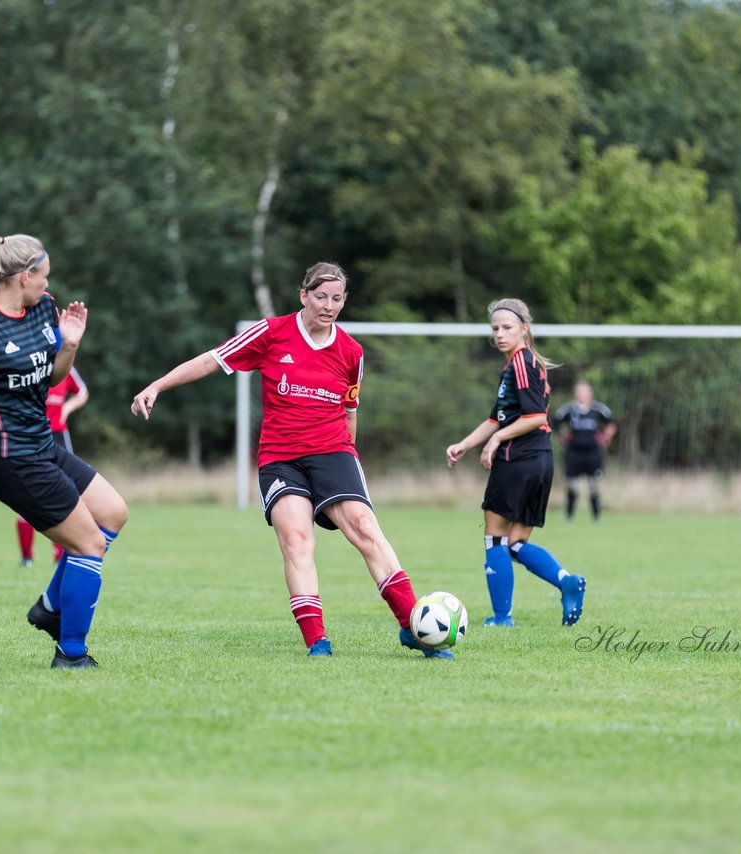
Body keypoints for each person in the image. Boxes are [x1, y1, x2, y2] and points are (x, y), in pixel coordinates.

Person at [130, 262, 451, 659]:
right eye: (320, 297)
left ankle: (412, 627)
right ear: (304, 295)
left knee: (366, 529)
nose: (328, 306)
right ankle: (317, 641)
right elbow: (212, 360)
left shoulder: (352, 352)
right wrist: (157, 386)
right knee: (297, 540)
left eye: (336, 299)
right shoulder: (271, 333)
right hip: (281, 459)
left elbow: (350, 408)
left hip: (333, 452)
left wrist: (345, 462)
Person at [0, 234, 128, 669]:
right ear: (23, 276)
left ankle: (51, 605)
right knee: (89, 544)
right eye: (43, 275)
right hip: (9, 459)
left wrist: (69, 344)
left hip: (43, 444)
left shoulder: (45, 307)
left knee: (113, 513)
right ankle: (71, 654)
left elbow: (52, 379)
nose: (48, 283)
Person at [445, 299, 585, 628]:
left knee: (494, 538)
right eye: (495, 328)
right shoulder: (515, 366)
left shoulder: (522, 362)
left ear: (524, 328)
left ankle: (501, 617)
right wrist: (466, 444)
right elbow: (497, 418)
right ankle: (566, 581)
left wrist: (496, 441)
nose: (500, 334)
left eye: (507, 327)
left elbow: (536, 417)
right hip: (540, 461)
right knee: (516, 543)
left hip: (518, 458)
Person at [17, 367, 89, 567]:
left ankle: (60, 555)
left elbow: (82, 393)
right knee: (24, 492)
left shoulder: (67, 367)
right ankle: (26, 557)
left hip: (58, 436)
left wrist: (66, 408)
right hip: (30, 436)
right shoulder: (30, 362)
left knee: (65, 492)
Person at [552, 382, 616, 523]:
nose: (581, 395)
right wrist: (562, 436)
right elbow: (555, 423)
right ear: (575, 394)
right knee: (572, 486)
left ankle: (597, 517)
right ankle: (568, 516)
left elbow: (611, 423)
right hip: (573, 453)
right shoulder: (569, 409)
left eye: (584, 392)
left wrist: (606, 437)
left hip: (592, 453)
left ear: (590, 394)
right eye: (579, 392)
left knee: (593, 485)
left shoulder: (598, 409)